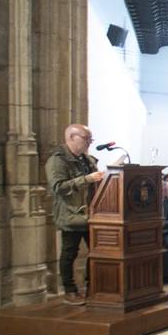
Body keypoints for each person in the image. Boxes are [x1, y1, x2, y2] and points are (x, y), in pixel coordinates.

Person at [46, 123, 104, 304]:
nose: (89, 143)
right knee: (69, 252)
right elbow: (58, 187)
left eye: (90, 139)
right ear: (71, 137)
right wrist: (86, 179)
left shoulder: (87, 160)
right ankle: (69, 290)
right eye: (86, 139)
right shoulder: (58, 160)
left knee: (96, 251)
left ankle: (92, 286)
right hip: (71, 214)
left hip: (91, 214)